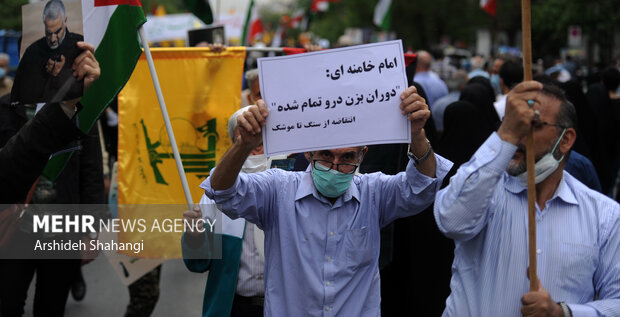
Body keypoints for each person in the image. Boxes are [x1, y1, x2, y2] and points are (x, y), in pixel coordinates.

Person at [202, 86, 451, 316]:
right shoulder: (277, 189)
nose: (334, 168)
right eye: (325, 155)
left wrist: (416, 134)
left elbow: (422, 187)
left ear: (362, 156)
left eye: (346, 158)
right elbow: (219, 198)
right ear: (308, 152)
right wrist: (242, 146)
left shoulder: (373, 193)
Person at [434, 82, 620, 316]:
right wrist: (505, 135)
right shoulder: (483, 192)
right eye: (512, 123)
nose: (520, 136)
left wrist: (562, 312)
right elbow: (451, 220)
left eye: (532, 125)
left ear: (565, 139)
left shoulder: (604, 215)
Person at [182, 106, 269, 317]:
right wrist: (195, 237)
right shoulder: (214, 193)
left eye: (259, 139)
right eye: (244, 140)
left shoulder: (289, 188)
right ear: (233, 145)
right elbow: (197, 264)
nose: (253, 146)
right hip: (233, 309)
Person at [0, 41, 100, 205]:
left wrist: (91, 223)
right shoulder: (5, 107)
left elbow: (91, 169)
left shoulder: (77, 106)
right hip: (21, 222)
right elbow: (10, 166)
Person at [11, 0, 84, 104]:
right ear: (44, 24)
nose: (53, 39)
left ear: (65, 20)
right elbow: (19, 93)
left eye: (57, 32)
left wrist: (60, 75)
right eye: (48, 33)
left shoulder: (80, 45)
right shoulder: (32, 51)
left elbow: (86, 90)